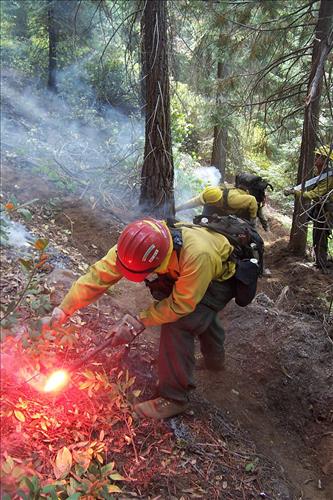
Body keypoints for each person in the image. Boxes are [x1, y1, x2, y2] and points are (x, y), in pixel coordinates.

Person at [48, 218, 259, 419]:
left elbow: (181, 305)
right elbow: (98, 276)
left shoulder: (196, 256)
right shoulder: (136, 243)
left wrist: (138, 322)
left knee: (181, 322)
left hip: (222, 279)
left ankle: (175, 398)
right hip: (193, 271)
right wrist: (63, 311)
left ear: (156, 262)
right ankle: (215, 360)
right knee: (201, 313)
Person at [284, 144, 333, 271]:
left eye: (318, 156)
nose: (315, 159)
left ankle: (322, 266)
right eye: (316, 156)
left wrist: (295, 192)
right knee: (318, 235)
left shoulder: (329, 176)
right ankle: (320, 263)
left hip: (327, 211)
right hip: (321, 209)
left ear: (325, 160)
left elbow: (314, 194)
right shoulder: (322, 174)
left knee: (321, 235)